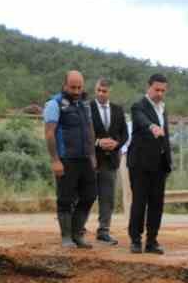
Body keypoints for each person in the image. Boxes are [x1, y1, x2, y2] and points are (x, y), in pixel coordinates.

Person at [43, 70, 98, 248]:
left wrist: (92, 155)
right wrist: (55, 160)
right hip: (66, 159)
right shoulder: (54, 104)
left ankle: (77, 233)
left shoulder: (85, 104)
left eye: (79, 87)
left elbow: (90, 129)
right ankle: (66, 236)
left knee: (89, 196)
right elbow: (49, 133)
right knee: (65, 199)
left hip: (85, 158)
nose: (76, 91)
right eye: (72, 87)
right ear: (64, 85)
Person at [127, 73, 172, 254]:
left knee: (157, 203)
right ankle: (135, 240)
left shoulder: (163, 108)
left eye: (163, 90)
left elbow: (166, 136)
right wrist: (152, 126)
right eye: (157, 89)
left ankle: (152, 241)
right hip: (140, 164)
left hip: (159, 165)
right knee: (139, 202)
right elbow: (141, 120)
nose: (160, 93)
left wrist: (168, 161)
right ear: (149, 87)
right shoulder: (139, 106)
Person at [89, 78, 128, 245]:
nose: (101, 93)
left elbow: (125, 134)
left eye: (104, 91)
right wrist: (97, 142)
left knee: (108, 197)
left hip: (111, 161)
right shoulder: (87, 108)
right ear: (95, 89)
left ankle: (103, 231)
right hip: (90, 160)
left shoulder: (118, 110)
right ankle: (78, 229)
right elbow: (83, 131)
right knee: (85, 196)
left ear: (109, 91)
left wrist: (117, 143)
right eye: (98, 90)